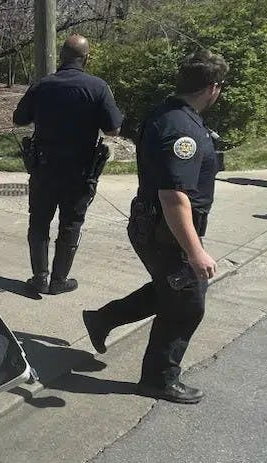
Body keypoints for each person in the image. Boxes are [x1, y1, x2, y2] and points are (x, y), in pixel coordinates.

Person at [81, 51, 227, 405]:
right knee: (187, 304)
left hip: (153, 224)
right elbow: (174, 196)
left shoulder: (165, 113)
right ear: (213, 88)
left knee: (171, 288)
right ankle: (158, 379)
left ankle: (103, 319)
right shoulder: (184, 130)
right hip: (167, 230)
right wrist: (195, 251)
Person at [12, 34, 123, 296]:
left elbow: (19, 119)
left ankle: (39, 277)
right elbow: (113, 128)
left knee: (39, 221)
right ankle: (59, 280)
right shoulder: (97, 87)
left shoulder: (43, 85)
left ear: (61, 57)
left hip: (44, 167)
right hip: (80, 170)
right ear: (86, 58)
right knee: (71, 223)